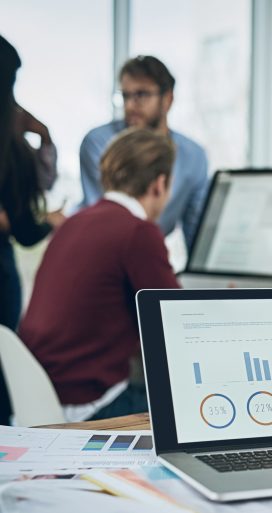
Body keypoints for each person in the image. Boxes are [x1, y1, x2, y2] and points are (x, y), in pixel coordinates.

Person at [19, 128, 180, 421]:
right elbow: (179, 321)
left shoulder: (74, 223)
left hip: (33, 398)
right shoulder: (138, 232)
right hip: (84, 407)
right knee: (187, 403)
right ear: (160, 184)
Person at [79, 55, 208, 250]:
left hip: (149, 250)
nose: (130, 106)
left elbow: (197, 233)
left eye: (141, 95)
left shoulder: (193, 156)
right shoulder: (100, 143)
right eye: (125, 96)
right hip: (101, 249)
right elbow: (106, 217)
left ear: (168, 99)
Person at [0, 35, 64, 331]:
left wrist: (44, 136)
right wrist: (50, 221)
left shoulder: (12, 145)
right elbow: (24, 229)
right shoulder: (10, 144)